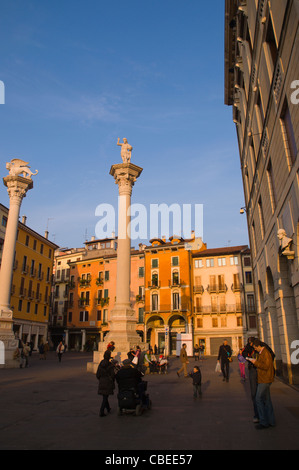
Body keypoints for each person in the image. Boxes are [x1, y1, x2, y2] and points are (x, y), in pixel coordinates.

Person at [247, 339, 276, 430]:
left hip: (265, 379)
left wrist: (255, 362)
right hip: (264, 379)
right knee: (267, 400)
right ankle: (271, 421)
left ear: (258, 346)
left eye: (255, 348)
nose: (255, 349)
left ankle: (263, 421)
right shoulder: (262, 353)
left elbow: (266, 366)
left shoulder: (265, 353)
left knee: (258, 399)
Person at [96, 350, 116, 417]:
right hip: (108, 381)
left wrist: (101, 379)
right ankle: (101, 411)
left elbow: (97, 374)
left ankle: (108, 408)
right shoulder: (110, 365)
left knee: (105, 396)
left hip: (102, 381)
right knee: (105, 397)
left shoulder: (101, 364)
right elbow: (112, 375)